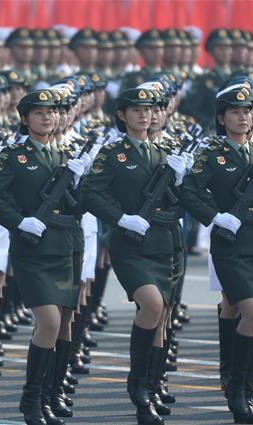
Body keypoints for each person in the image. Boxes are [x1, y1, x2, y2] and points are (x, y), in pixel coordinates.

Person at [0, 89, 87, 425]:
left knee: (66, 323)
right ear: (25, 119)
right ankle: (31, 399)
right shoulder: (14, 156)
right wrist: (19, 219)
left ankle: (52, 395)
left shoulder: (67, 154)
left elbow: (81, 205)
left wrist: (82, 182)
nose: (48, 117)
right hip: (34, 251)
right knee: (49, 322)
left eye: (52, 112)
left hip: (67, 245)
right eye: (39, 113)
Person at [83, 88, 185, 425]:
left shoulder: (168, 151)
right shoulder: (113, 153)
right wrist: (120, 217)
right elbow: (90, 192)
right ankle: (138, 382)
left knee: (162, 317)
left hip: (165, 243)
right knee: (152, 306)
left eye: (151, 109)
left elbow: (186, 200)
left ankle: (151, 387)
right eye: (136, 109)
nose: (145, 115)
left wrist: (183, 179)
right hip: (130, 246)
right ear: (122, 114)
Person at [181, 84, 253, 424]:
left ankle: (250, 384)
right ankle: (236, 391)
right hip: (231, 244)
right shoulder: (212, 153)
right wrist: (214, 216)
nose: (243, 117)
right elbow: (190, 192)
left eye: (248, 110)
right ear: (221, 118)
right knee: (251, 313)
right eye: (235, 112)